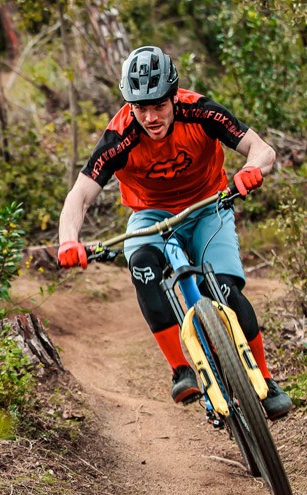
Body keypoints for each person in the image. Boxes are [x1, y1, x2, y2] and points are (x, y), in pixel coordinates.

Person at [56, 46, 292, 419]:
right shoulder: (119, 136)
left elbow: (261, 148)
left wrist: (252, 169)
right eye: (139, 107)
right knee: (144, 264)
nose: (150, 117)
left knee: (227, 290)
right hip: (150, 215)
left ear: (173, 97)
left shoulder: (200, 111)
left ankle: (265, 379)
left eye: (158, 106)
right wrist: (68, 240)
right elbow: (80, 196)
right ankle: (182, 369)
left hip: (207, 206)